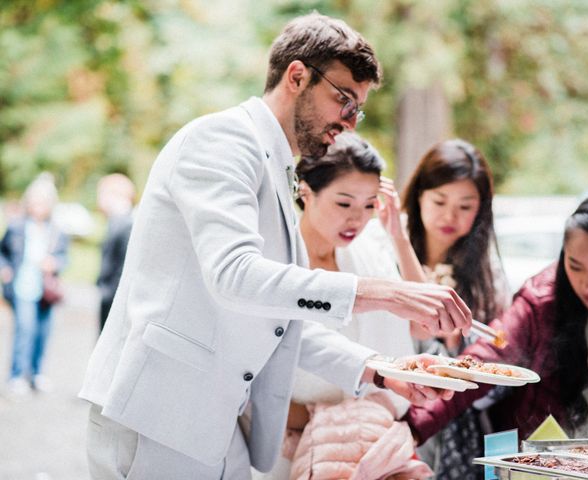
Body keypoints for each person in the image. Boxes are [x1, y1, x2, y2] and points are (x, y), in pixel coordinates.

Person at [79, 13, 472, 479]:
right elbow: (234, 276)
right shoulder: (222, 141)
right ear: (297, 76)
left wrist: (381, 370)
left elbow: (276, 322)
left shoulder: (277, 166)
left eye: (357, 109)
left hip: (216, 428)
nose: (349, 122)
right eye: (343, 99)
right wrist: (387, 292)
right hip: (156, 417)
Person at [256, 132, 429, 479]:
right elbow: (251, 368)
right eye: (344, 203)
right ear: (305, 191)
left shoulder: (368, 252)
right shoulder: (274, 260)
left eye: (368, 205)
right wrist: (321, 418)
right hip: (286, 443)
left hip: (371, 442)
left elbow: (425, 322)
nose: (357, 219)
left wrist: (397, 236)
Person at [404, 195, 588, 445]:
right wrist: (414, 430)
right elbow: (484, 362)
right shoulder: (539, 300)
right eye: (575, 265)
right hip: (546, 455)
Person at [377, 139, 511, 479]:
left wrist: (455, 347)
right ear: (419, 195)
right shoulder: (383, 248)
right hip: (386, 411)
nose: (450, 216)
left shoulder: (487, 274)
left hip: (456, 428)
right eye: (439, 200)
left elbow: (499, 364)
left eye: (466, 206)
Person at [0, 173, 69, 396]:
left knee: (43, 332)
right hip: (22, 287)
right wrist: (5, 269)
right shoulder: (17, 226)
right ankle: (17, 375)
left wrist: (55, 262)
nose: (38, 207)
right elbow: (3, 252)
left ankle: (36, 373)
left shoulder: (57, 230)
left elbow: (64, 257)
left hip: (45, 290)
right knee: (25, 330)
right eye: (34, 202)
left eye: (43, 203)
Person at [95, 173, 136, 332]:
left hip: (114, 298)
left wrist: (106, 291)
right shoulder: (118, 222)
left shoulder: (125, 225)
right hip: (111, 296)